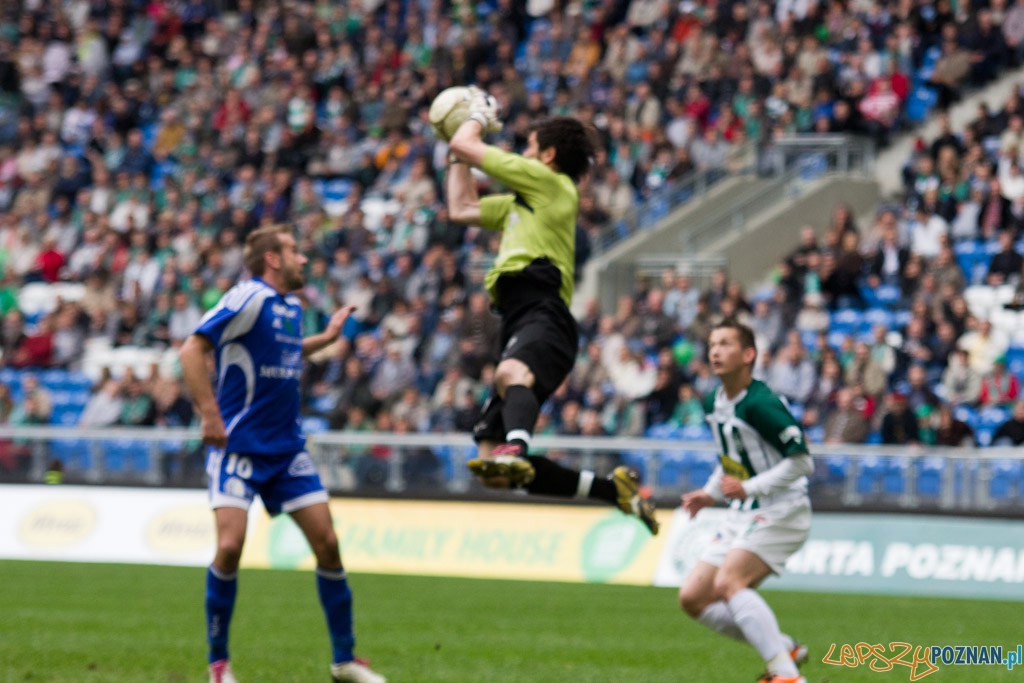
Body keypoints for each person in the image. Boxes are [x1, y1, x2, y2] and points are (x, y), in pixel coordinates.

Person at [444, 88, 657, 534]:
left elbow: (468, 144)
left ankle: (519, 446)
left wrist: (474, 118)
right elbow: (460, 207)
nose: (523, 154)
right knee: (491, 467)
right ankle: (608, 490)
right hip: (523, 320)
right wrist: (456, 154)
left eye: (530, 148)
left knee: (509, 376)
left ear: (549, 156)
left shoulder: (550, 183)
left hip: (545, 315)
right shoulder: (527, 202)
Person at [179, 225, 385, 683]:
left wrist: (327, 338)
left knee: (328, 544)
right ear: (272, 258)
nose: (304, 260)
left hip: (287, 451)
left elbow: (288, 351)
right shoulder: (247, 297)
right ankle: (219, 665)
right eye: (295, 251)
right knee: (230, 547)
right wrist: (209, 415)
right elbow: (192, 348)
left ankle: (345, 662)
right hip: (239, 448)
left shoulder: (290, 307)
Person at [679, 320, 812, 683]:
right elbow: (731, 459)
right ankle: (785, 647)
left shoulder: (762, 403)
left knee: (730, 583)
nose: (715, 351)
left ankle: (786, 674)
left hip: (783, 508)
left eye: (724, 343)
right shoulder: (713, 401)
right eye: (711, 344)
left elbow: (803, 461)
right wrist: (711, 493)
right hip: (744, 511)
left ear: (748, 354)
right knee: (693, 598)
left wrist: (750, 488)